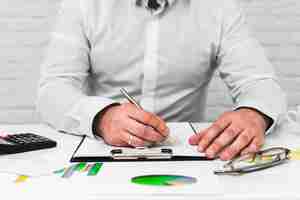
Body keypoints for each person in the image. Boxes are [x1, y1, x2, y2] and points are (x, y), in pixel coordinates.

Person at [36, 0, 287, 161]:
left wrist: (254, 113)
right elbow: (52, 91)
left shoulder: (219, 8)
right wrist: (102, 118)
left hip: (188, 155)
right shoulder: (83, 5)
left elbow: (260, 83)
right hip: (101, 151)